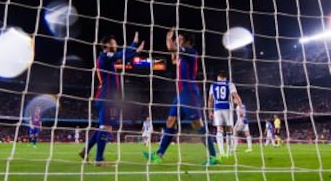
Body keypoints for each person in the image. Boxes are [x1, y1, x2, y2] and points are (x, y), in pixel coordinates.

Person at [143, 27, 218, 165]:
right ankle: (159, 155)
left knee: (198, 125)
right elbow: (173, 58)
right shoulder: (181, 56)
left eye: (181, 38)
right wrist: (174, 44)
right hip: (180, 94)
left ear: (187, 41)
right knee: (170, 121)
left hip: (189, 93)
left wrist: (169, 38)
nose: (178, 40)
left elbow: (172, 48)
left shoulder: (190, 52)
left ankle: (214, 156)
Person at [79, 32, 145, 165]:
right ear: (107, 45)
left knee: (103, 127)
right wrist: (133, 44)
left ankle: (85, 151)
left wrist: (136, 51)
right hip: (106, 97)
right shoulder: (104, 56)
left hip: (109, 98)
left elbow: (123, 57)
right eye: (114, 43)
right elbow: (120, 55)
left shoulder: (108, 58)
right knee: (106, 127)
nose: (116, 45)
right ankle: (99, 159)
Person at [208, 71, 242, 158]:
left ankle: (222, 152)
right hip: (227, 107)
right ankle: (229, 152)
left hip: (217, 108)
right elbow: (236, 96)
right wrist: (240, 107)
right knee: (229, 129)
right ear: (225, 78)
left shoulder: (213, 85)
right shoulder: (230, 84)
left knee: (219, 129)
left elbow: (210, 100)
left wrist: (210, 111)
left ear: (218, 78)